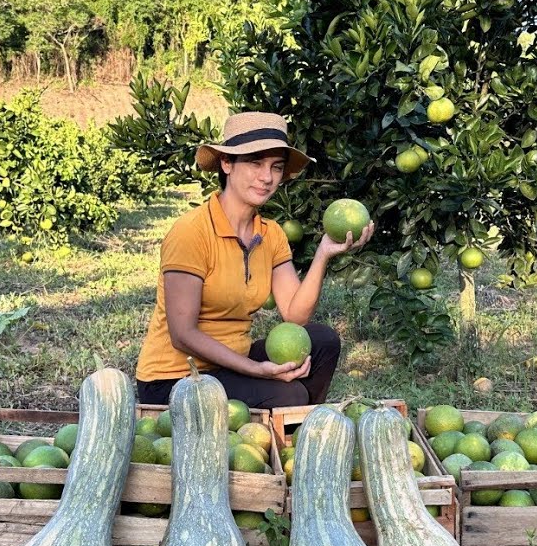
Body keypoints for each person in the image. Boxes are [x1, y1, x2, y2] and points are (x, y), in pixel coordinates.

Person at [135, 111, 373, 409]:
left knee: (322, 341)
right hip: (175, 378)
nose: (267, 177)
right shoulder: (191, 232)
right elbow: (182, 335)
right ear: (227, 164)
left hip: (231, 364)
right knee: (291, 396)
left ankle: (295, 432)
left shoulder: (270, 234)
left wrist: (323, 253)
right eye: (255, 163)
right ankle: (291, 427)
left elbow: (296, 316)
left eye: (276, 167)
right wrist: (257, 370)